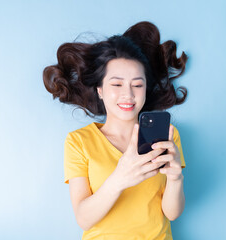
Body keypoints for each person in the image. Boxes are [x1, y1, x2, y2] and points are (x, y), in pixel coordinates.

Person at [43, 21, 188, 240]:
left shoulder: (168, 135)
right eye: (117, 84)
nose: (128, 95)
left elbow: (172, 213)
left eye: (137, 85)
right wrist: (120, 178)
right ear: (100, 90)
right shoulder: (79, 142)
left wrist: (176, 178)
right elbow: (83, 218)